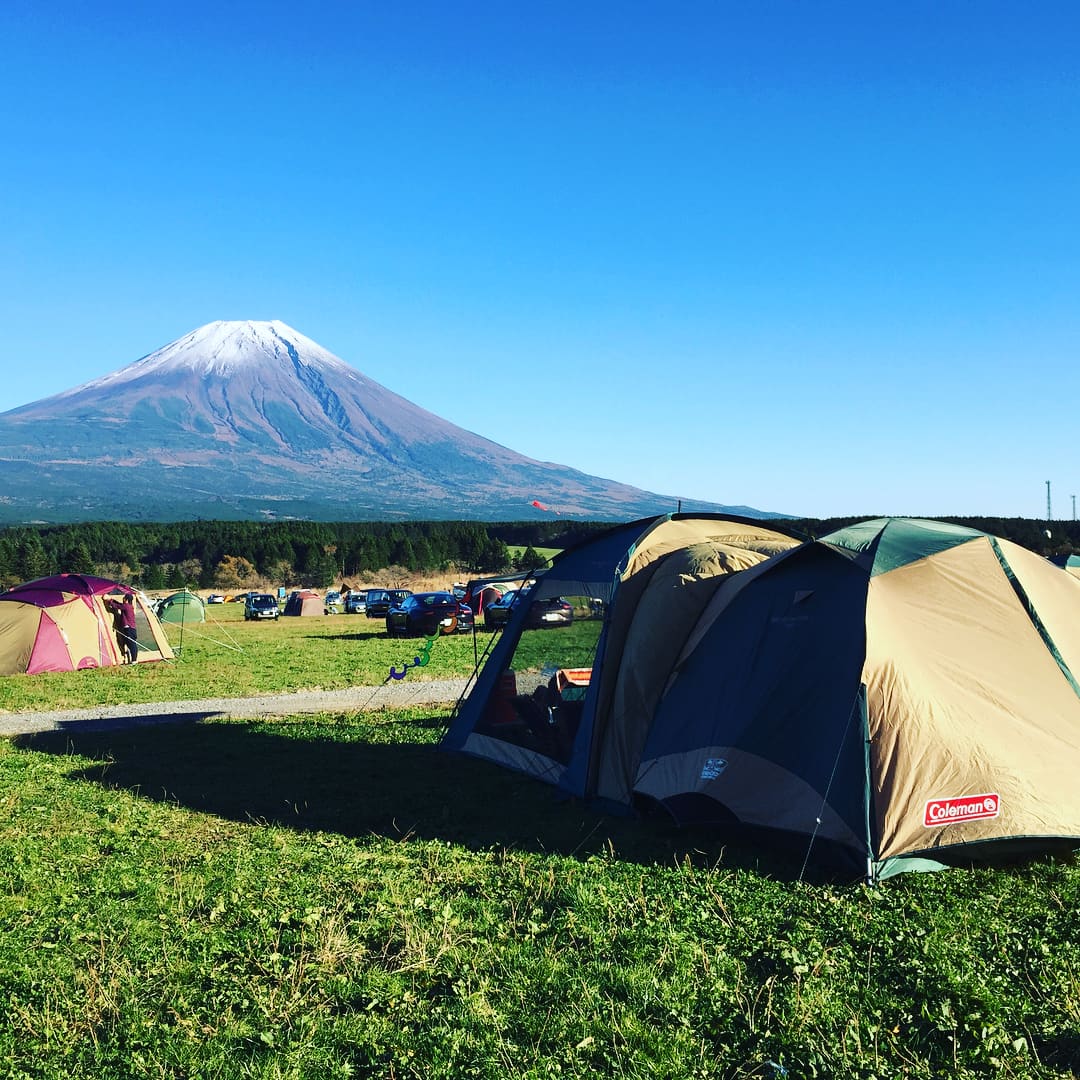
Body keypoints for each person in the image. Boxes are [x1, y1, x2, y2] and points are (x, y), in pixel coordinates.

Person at [105, 593, 139, 664]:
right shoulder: (129, 606)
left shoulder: (126, 606)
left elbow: (116, 606)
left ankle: (134, 660)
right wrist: (112, 600)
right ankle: (132, 659)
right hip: (130, 629)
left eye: (124, 598)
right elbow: (119, 604)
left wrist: (109, 600)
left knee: (132, 644)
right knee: (129, 643)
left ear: (126, 600)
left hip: (129, 629)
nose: (123, 599)